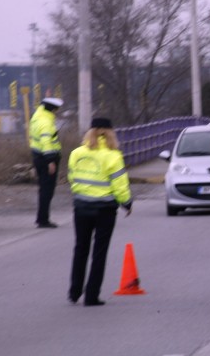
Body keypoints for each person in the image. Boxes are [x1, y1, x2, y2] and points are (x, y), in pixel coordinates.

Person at [67, 117, 133, 306]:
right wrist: (127, 203)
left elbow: (72, 177)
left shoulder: (77, 153)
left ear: (90, 131)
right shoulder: (113, 156)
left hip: (81, 207)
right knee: (99, 252)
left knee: (80, 248)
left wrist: (82, 194)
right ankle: (91, 295)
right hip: (104, 209)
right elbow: (120, 185)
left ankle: (74, 291)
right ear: (110, 132)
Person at [29, 97, 64, 228]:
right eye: (57, 110)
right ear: (53, 109)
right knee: (47, 190)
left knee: (43, 189)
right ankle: (43, 219)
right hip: (47, 158)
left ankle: (42, 218)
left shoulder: (37, 117)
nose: (57, 112)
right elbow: (46, 142)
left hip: (38, 156)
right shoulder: (46, 123)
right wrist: (50, 161)